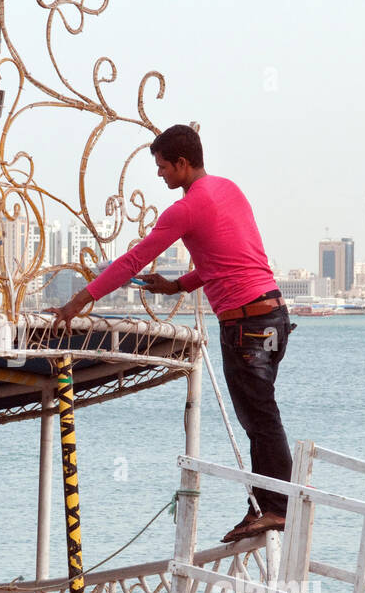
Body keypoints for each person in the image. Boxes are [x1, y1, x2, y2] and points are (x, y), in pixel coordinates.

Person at [46, 124, 294, 543]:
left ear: (181, 162)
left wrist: (76, 303)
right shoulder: (229, 190)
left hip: (245, 325)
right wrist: (178, 286)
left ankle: (277, 509)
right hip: (273, 317)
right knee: (260, 416)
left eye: (162, 167)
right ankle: (265, 506)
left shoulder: (185, 208)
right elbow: (227, 260)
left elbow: (131, 261)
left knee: (260, 418)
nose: (160, 175)